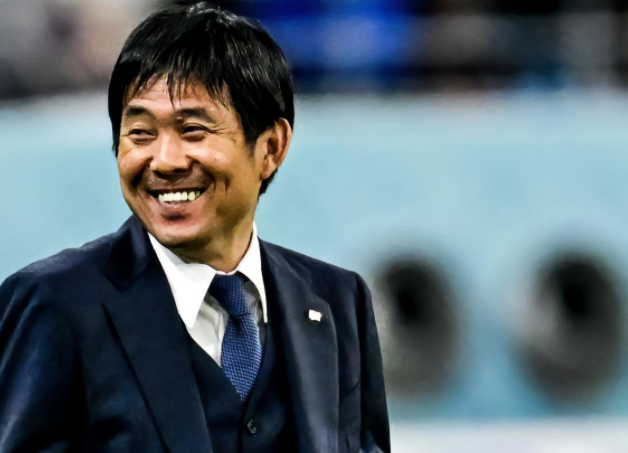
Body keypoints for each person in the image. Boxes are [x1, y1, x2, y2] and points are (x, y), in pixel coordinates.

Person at [0, 4, 390, 453]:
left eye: (193, 130)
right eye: (140, 133)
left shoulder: (339, 302)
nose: (165, 161)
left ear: (271, 147)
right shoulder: (55, 303)